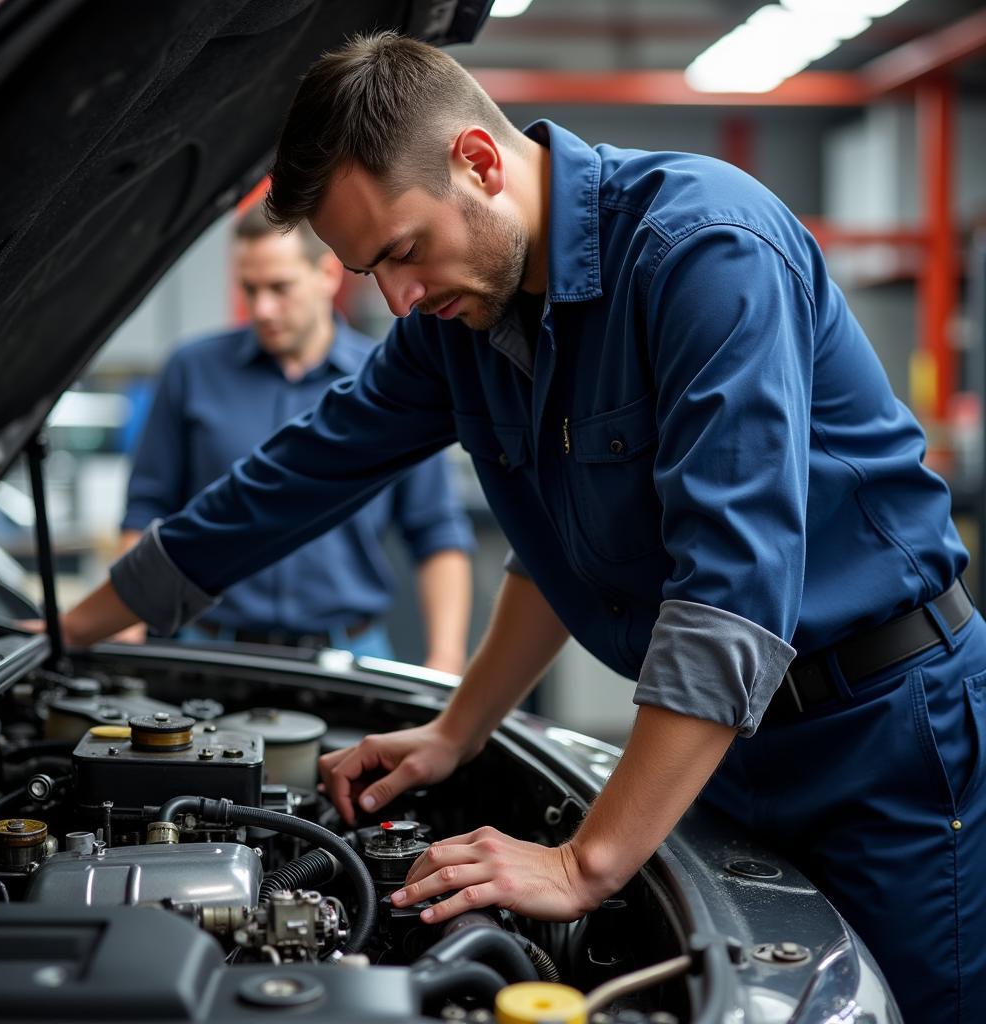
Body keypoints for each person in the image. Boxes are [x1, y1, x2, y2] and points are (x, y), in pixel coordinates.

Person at [57, 33, 984, 1024]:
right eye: (370, 270)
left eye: (404, 250)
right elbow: (299, 484)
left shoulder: (703, 251)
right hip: (722, 750)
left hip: (886, 742)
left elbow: (732, 596)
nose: (400, 298)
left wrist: (587, 861)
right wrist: (63, 635)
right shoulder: (459, 328)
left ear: (480, 162)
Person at [116, 205, 475, 671]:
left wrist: (446, 662)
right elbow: (147, 508)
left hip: (351, 654)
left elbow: (437, 532)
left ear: (327, 274)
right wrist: (124, 627)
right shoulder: (191, 372)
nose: (262, 309)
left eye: (279, 288)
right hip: (212, 651)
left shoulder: (392, 381)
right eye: (250, 289)